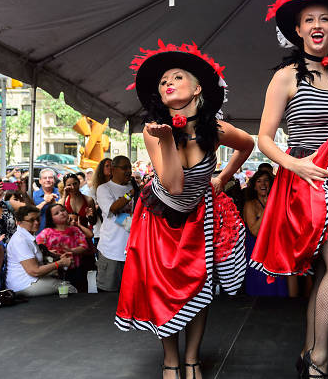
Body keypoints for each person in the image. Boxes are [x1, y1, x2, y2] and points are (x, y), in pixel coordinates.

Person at [114, 39, 253, 379]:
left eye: (176, 77)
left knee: (200, 287)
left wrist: (223, 176)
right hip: (160, 217)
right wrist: (165, 139)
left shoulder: (216, 129)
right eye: (162, 83)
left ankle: (192, 358)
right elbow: (174, 185)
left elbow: (248, 145)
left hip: (198, 215)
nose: (167, 83)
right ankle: (170, 360)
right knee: (165, 290)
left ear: (197, 89)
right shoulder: (152, 131)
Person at [249, 0, 328, 379]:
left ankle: (308, 352)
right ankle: (319, 357)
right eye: (309, 19)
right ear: (298, 30)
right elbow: (264, 139)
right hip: (304, 182)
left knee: (325, 271)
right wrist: (295, 166)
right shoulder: (284, 77)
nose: (317, 25)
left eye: (324, 19)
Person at [6, 205, 76, 297]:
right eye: (31, 220)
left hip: (28, 280)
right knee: (68, 287)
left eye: (38, 219)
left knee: (58, 277)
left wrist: (56, 257)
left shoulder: (26, 235)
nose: (36, 222)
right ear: (18, 222)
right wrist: (60, 263)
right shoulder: (20, 240)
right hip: (24, 285)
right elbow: (34, 271)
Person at [242, 170, 288, 296]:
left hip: (274, 253)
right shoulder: (249, 205)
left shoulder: (279, 203)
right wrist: (268, 208)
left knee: (278, 290)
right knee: (259, 290)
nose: (263, 184)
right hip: (256, 254)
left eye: (266, 180)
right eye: (259, 181)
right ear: (254, 186)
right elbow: (255, 231)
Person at [95, 155, 134, 293]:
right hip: (111, 251)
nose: (128, 171)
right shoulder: (104, 188)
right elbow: (112, 208)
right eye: (124, 168)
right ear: (113, 169)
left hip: (131, 251)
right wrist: (130, 194)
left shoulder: (131, 187)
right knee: (108, 294)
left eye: (130, 167)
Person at [36, 203, 92, 292]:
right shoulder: (46, 232)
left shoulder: (75, 230)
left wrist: (71, 250)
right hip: (55, 272)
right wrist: (51, 253)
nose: (62, 213)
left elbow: (84, 246)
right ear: (51, 219)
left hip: (76, 270)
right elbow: (38, 249)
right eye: (56, 213)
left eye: (63, 210)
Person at [33, 168, 60, 234]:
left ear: (54, 180)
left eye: (50, 177)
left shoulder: (61, 193)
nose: (47, 180)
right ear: (40, 181)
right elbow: (31, 214)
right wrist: (45, 202)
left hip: (59, 234)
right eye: (45, 178)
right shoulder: (34, 195)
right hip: (40, 234)